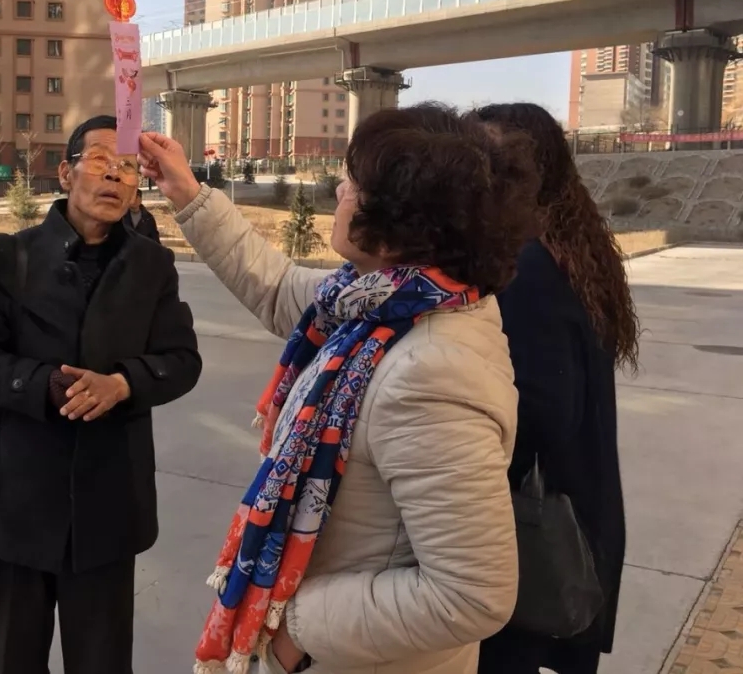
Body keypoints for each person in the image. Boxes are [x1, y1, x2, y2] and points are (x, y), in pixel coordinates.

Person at [138, 104, 541, 674]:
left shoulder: (430, 373)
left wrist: (297, 631)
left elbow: (472, 594)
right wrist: (187, 191)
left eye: (353, 182)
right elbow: (277, 287)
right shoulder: (379, 304)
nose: (338, 190)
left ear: (398, 221)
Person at [0, 115, 202, 674]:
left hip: (110, 505)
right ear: (65, 173)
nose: (114, 176)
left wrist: (124, 383)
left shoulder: (151, 265)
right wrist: (41, 384)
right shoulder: (5, 256)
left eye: (128, 167)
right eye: (101, 160)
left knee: (102, 662)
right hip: (22, 502)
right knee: (15, 660)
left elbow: (182, 360)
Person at [470, 103, 638, 674]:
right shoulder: (564, 249)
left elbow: (541, 412)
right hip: (571, 515)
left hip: (541, 534)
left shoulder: (530, 267)